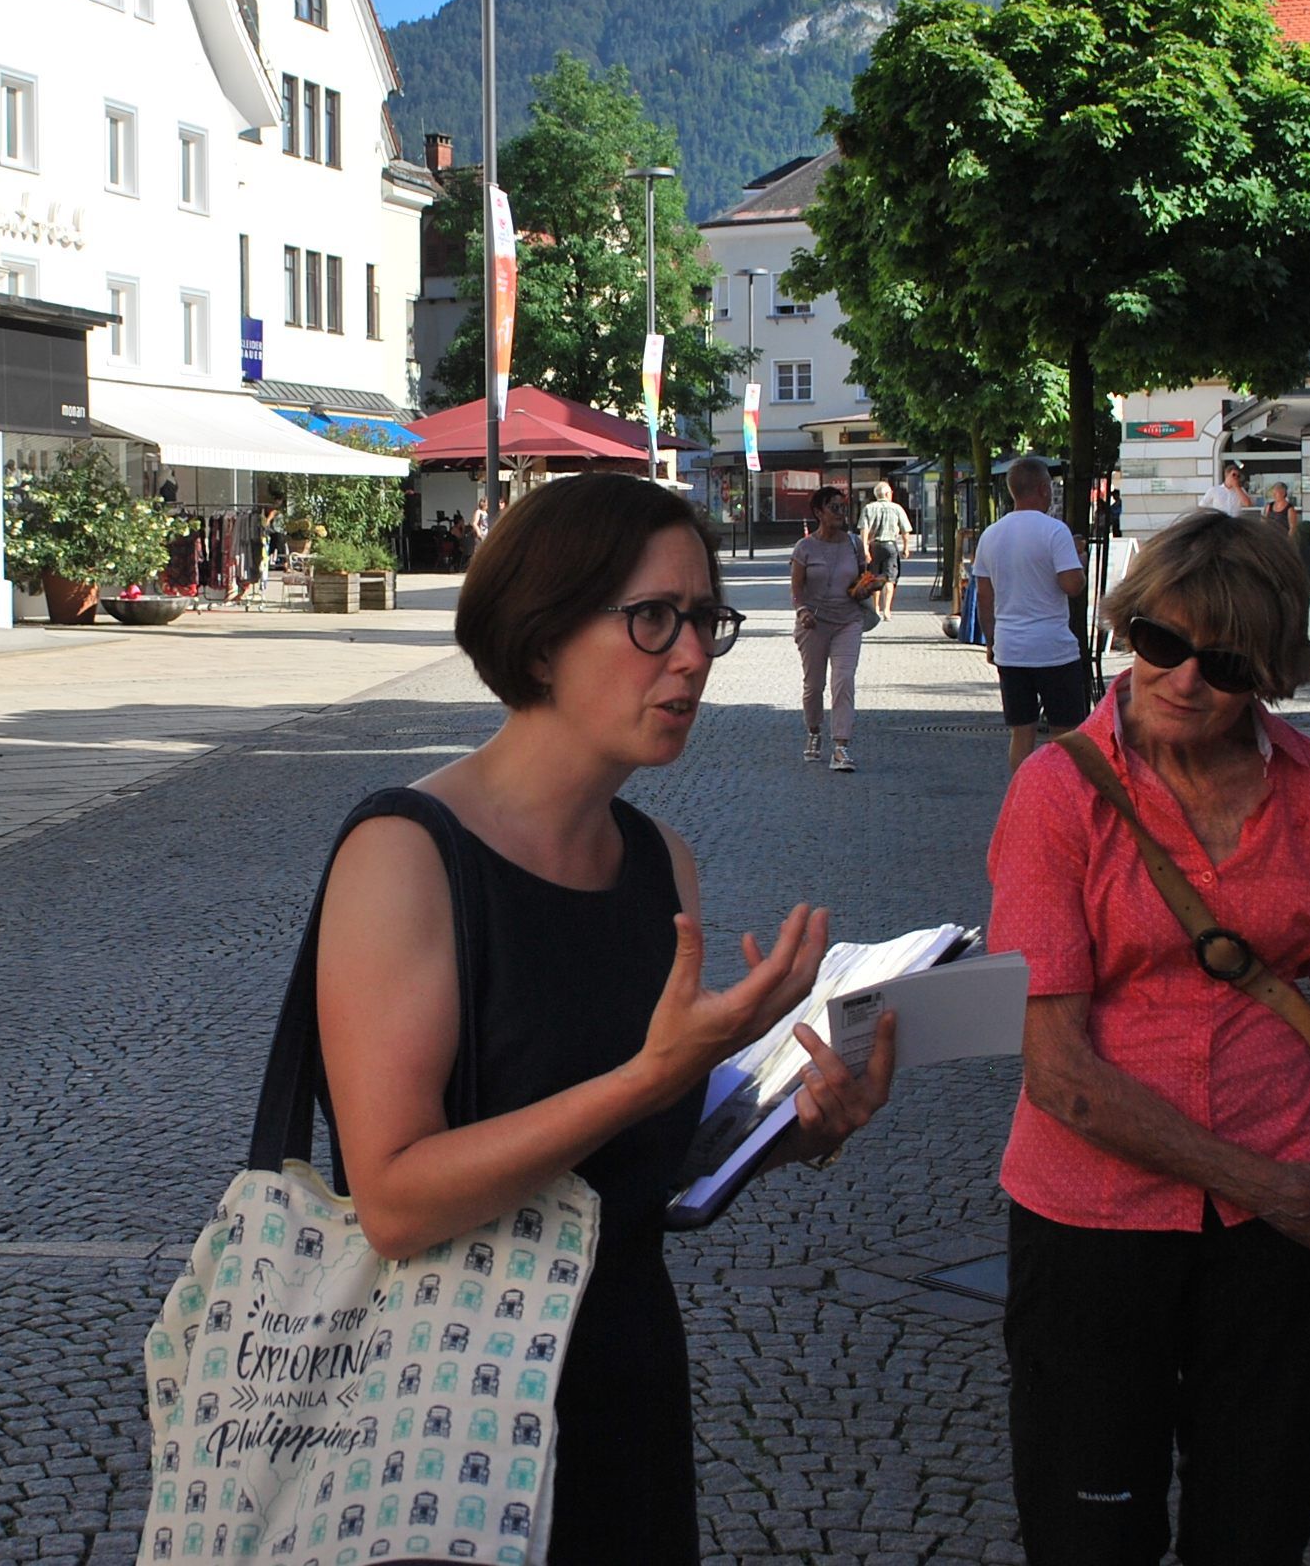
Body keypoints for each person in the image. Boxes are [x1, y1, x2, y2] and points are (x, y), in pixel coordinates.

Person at [313, 473, 896, 1561]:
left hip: (620, 1384)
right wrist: (652, 1073)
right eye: (651, 620)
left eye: (703, 621)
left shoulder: (657, 864)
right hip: (440, 1409)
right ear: (540, 640)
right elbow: (393, 1198)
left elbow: (631, 1172)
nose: (689, 656)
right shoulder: (405, 854)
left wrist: (782, 1130)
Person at [988, 510, 1310, 1566]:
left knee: (1257, 1520)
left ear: (1270, 669)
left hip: (1279, 1233)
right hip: (1095, 1221)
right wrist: (1271, 1182)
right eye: (1159, 644)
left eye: (1221, 661)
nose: (1181, 678)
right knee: (1092, 1528)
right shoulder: (1055, 793)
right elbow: (1061, 1074)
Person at [971, 456, 1089, 774]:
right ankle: (1060, 798)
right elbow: (1072, 585)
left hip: (1011, 646)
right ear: (1042, 488)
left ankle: (1021, 800)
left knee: (1021, 732)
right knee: (1065, 732)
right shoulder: (1055, 531)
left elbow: (984, 594)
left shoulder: (991, 535)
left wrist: (991, 640)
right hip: (1053, 648)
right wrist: (1080, 559)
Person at [790, 485, 872, 772]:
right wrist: (802, 612)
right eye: (834, 507)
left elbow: (861, 577)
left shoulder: (854, 543)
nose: (840, 513)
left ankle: (841, 746)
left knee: (843, 680)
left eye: (842, 507)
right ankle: (814, 732)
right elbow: (797, 589)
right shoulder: (805, 548)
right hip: (814, 624)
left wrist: (865, 589)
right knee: (814, 686)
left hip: (848, 620)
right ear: (818, 512)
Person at [855, 479, 915, 619]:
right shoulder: (897, 508)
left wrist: (865, 549)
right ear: (887, 494)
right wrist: (906, 548)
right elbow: (905, 531)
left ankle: (875, 608)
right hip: (890, 545)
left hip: (874, 546)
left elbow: (864, 529)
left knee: (875, 578)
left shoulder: (869, 508)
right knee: (889, 578)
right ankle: (887, 610)